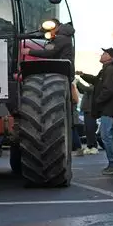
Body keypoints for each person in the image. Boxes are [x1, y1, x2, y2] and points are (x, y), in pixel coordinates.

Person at [23, 20, 84, 156]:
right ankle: (75, 146)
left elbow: (50, 53)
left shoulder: (62, 38)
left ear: (55, 26)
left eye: (49, 28)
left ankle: (75, 146)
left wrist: (29, 51)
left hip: (60, 71)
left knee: (62, 113)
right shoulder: (62, 36)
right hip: (61, 73)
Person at [77, 47, 113, 175]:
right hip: (108, 109)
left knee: (106, 136)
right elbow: (96, 81)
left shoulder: (109, 71)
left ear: (110, 58)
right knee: (108, 136)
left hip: (109, 109)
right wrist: (83, 75)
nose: (102, 54)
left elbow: (108, 90)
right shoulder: (105, 71)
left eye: (104, 53)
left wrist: (97, 101)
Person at [75, 79, 99, 155]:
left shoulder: (94, 87)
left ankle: (94, 146)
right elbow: (82, 90)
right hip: (87, 111)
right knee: (87, 130)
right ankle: (89, 146)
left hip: (90, 111)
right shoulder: (90, 88)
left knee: (90, 129)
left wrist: (78, 81)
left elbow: (86, 89)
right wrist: (78, 85)